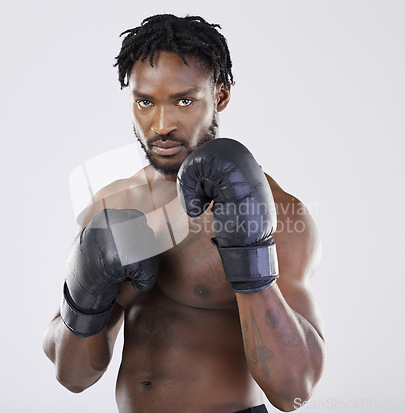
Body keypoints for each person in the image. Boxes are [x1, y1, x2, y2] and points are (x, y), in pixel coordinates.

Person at [43, 14, 325, 413]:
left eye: (184, 100)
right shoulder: (114, 203)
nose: (161, 125)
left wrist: (249, 251)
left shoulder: (278, 213)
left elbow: (294, 389)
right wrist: (84, 295)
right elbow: (72, 376)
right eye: (145, 102)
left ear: (221, 96)